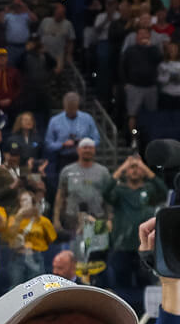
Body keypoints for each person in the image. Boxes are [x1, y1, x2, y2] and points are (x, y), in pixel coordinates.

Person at [102, 155, 165, 301]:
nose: (135, 170)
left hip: (144, 246)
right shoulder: (120, 191)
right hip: (122, 245)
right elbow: (105, 193)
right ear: (126, 172)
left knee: (146, 285)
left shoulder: (149, 189)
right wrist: (122, 168)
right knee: (120, 285)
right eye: (131, 168)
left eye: (138, 168)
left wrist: (145, 168)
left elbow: (163, 191)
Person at [54, 138, 109, 242]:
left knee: (98, 248)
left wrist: (110, 219)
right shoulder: (67, 171)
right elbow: (60, 196)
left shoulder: (103, 172)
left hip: (98, 217)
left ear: (94, 150)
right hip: (72, 219)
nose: (87, 150)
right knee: (74, 248)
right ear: (78, 150)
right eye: (84, 147)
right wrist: (56, 219)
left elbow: (109, 197)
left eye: (90, 148)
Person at [44, 92, 100, 170]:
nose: (71, 111)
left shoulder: (87, 119)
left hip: (84, 158)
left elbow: (96, 140)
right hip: (63, 159)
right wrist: (62, 144)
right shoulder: (54, 121)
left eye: (73, 108)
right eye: (69, 108)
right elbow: (48, 144)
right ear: (64, 106)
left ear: (77, 106)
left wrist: (85, 143)